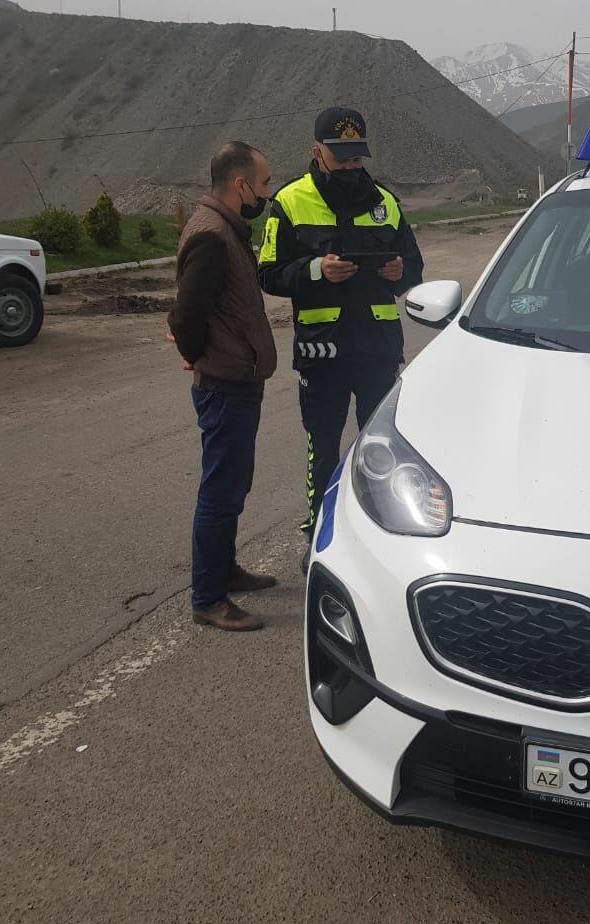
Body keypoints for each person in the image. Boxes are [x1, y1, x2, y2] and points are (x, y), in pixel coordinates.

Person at [257, 108, 424, 571]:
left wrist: (400, 274)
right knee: (324, 443)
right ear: (317, 153)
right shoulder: (290, 202)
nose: (351, 167)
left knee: (383, 447)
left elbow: (414, 265)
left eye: (357, 158)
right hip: (322, 350)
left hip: (377, 347)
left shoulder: (385, 202)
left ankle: (382, 533)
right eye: (341, 158)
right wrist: (316, 270)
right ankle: (319, 533)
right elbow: (268, 274)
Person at [167, 140, 278, 632]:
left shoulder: (226, 229)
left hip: (236, 378)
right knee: (219, 491)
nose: (267, 191)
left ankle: (225, 570)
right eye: (265, 182)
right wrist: (196, 356)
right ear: (241, 185)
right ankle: (208, 597)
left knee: (233, 485)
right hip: (226, 383)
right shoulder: (213, 235)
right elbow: (186, 313)